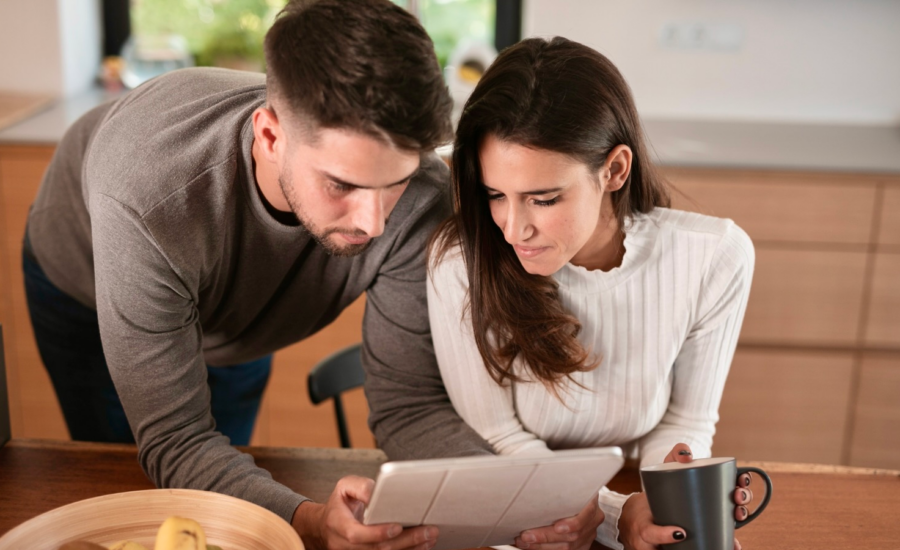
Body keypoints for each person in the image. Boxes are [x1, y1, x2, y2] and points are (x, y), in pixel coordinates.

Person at [22, 1, 492, 549]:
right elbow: (176, 442)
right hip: (86, 283)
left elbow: (407, 406)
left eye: (395, 183)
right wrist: (314, 522)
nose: (374, 221)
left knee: (224, 513)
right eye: (342, 184)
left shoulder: (422, 198)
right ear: (270, 137)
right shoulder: (150, 194)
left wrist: (521, 501)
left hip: (239, 301)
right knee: (130, 494)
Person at [426, 37, 757, 550]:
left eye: (543, 198)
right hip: (520, 507)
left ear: (615, 170)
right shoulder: (459, 264)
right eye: (495, 195)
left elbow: (684, 420)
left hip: (620, 490)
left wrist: (673, 501)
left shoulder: (714, 258)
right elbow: (500, 438)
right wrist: (615, 515)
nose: (514, 229)